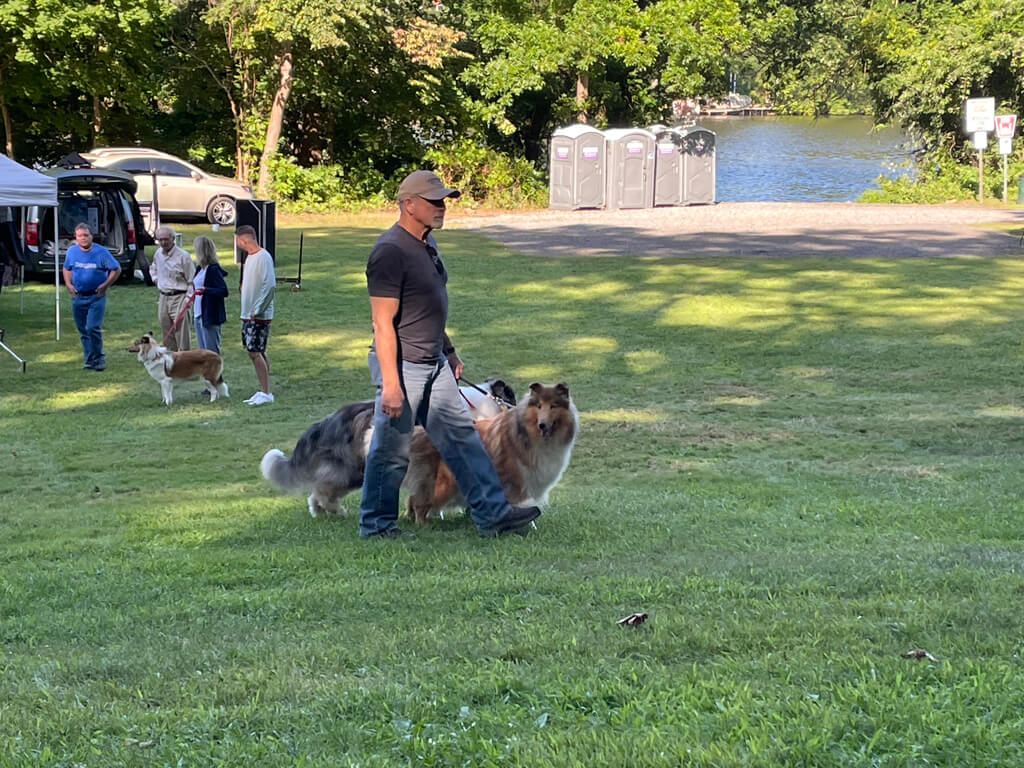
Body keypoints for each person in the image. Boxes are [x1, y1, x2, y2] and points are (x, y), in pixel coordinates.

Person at [358, 170, 541, 539]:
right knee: (391, 449)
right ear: (409, 205)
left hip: (434, 363)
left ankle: (493, 514)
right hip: (403, 366)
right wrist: (392, 385)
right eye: (434, 201)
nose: (442, 208)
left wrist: (449, 351)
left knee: (462, 438)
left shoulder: (427, 245)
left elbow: (427, 308)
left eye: (444, 201)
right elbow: (382, 323)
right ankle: (376, 525)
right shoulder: (389, 252)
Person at [61, 222, 121, 371]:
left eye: (86, 235)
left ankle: (99, 359)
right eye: (80, 236)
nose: (83, 238)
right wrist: (68, 284)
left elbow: (116, 269)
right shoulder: (72, 252)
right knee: (83, 330)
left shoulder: (102, 252)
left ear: (91, 236)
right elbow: (67, 267)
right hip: (78, 296)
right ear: (75, 237)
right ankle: (89, 361)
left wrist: (105, 285)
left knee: (92, 327)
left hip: (96, 296)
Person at [236, 224, 275, 405]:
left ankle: (267, 392)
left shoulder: (263, 257)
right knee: (256, 350)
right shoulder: (249, 258)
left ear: (243, 240)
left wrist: (258, 309)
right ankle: (263, 388)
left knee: (255, 351)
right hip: (247, 313)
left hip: (257, 315)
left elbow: (269, 286)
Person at [151, 226, 195, 351]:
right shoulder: (158, 253)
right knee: (166, 329)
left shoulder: (183, 256)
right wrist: (156, 280)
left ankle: (185, 360)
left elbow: (192, 280)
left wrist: (187, 300)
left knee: (181, 331)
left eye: (166, 239)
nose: (163, 243)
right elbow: (153, 268)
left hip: (180, 296)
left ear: (173, 238)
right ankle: (170, 361)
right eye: (160, 240)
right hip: (164, 296)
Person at [192, 236, 229, 355]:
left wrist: (206, 290)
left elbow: (223, 291)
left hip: (209, 314)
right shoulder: (200, 269)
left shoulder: (213, 269)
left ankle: (217, 374)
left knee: (211, 352)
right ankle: (207, 373)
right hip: (198, 313)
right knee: (203, 353)